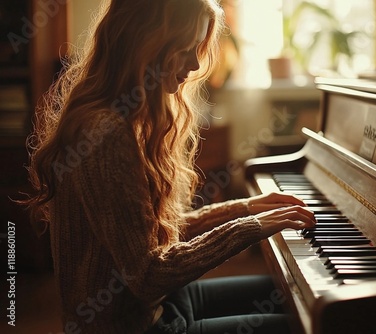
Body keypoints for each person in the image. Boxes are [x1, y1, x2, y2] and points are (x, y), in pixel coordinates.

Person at [24, 0, 316, 333]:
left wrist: (244, 209)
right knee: (303, 325)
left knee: (298, 299)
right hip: (133, 325)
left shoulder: (121, 118)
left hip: (158, 306)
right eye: (185, 47)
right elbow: (148, 275)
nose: (194, 64)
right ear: (145, 41)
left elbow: (149, 236)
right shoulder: (105, 133)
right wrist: (249, 227)